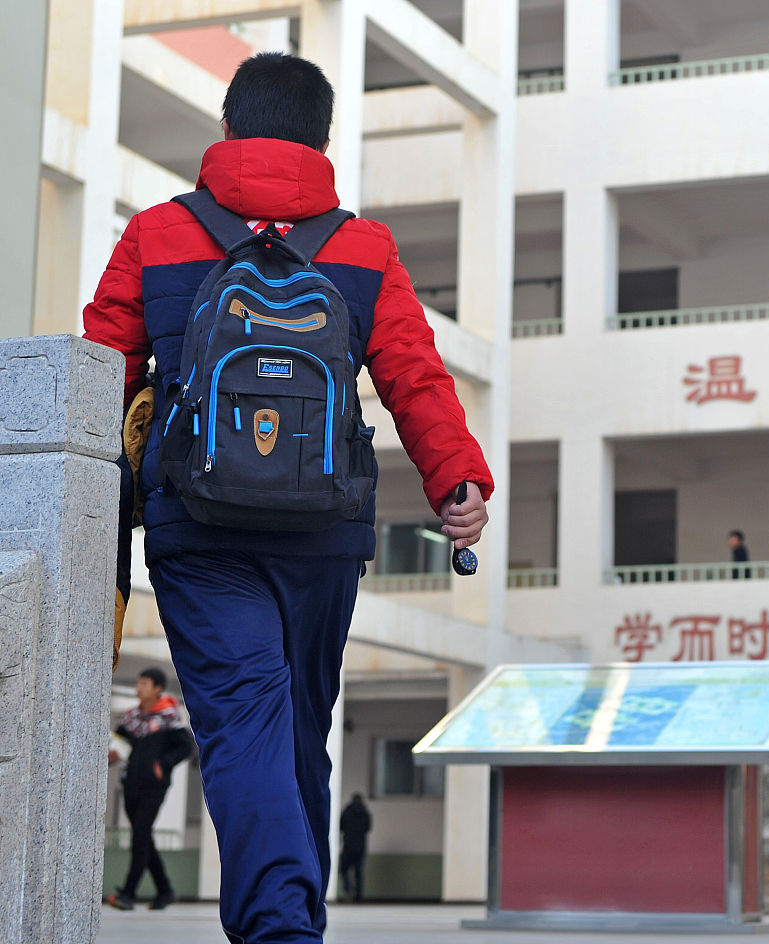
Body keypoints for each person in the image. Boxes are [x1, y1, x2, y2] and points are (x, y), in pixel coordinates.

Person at [84, 52, 493, 942]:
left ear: (227, 131)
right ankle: (286, 925)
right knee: (297, 732)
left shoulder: (157, 232)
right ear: (323, 139)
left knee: (249, 725)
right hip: (324, 532)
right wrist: (455, 477)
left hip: (197, 528)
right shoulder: (363, 245)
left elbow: (98, 374)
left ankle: (280, 928)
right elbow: (413, 376)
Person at [106, 667, 194, 911]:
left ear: (157, 689)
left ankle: (128, 893)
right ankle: (165, 890)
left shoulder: (169, 718)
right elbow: (119, 744)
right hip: (131, 785)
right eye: (139, 682)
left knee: (140, 836)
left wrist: (162, 764)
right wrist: (114, 756)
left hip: (154, 787)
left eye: (145, 683)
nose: (139, 687)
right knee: (143, 837)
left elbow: (186, 747)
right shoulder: (130, 719)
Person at [338, 793, 372, 902]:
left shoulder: (347, 812)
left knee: (343, 870)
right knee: (359, 872)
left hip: (348, 845)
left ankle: (349, 888)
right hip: (360, 846)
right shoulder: (365, 813)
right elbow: (368, 828)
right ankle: (358, 895)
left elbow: (341, 826)